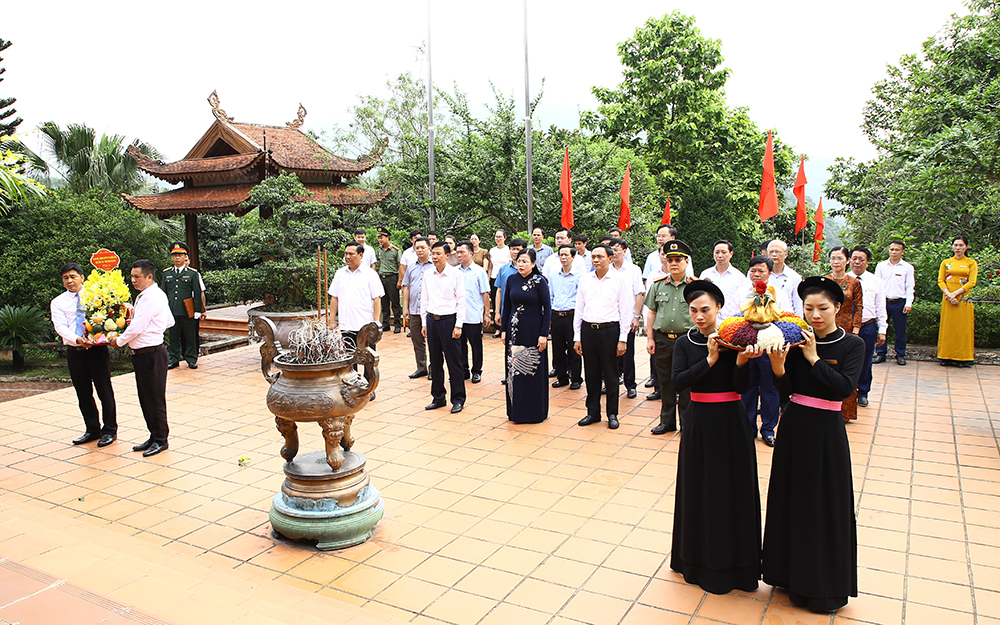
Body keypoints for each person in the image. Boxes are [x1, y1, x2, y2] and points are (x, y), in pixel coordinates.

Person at [761, 276, 865, 614]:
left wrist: (814, 358)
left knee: (823, 503)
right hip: (794, 426)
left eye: (823, 308)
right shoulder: (795, 341)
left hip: (826, 433)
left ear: (837, 307)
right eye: (809, 308)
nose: (816, 315)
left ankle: (821, 582)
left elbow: (842, 389)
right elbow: (786, 391)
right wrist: (778, 368)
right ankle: (787, 573)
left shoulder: (852, 345)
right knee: (792, 498)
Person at [670, 280, 760, 594]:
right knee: (699, 486)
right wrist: (708, 360)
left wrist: (740, 361)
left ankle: (736, 562)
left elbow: (741, 387)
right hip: (698, 420)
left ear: (718, 308)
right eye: (693, 310)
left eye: (705, 310)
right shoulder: (685, 343)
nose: (699, 316)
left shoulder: (735, 339)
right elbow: (678, 380)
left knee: (731, 486)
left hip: (732, 421)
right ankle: (695, 559)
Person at [110, 259, 174, 457]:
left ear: (149, 276)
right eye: (132, 276)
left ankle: (161, 439)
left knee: (154, 398)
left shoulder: (152, 297)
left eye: (137, 277)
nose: (133, 280)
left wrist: (119, 340)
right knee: (145, 398)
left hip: (152, 353)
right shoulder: (145, 296)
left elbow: (137, 327)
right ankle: (154, 435)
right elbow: (169, 320)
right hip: (143, 353)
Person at [51, 262, 117, 447]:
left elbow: (109, 315)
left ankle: (110, 430)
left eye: (73, 276)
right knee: (83, 393)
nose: (69, 281)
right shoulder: (58, 302)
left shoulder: (96, 295)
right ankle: (92, 429)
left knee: (104, 391)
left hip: (97, 351)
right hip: (75, 351)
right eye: (65, 278)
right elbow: (60, 327)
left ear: (82, 277)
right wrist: (77, 339)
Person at [574, 244, 633, 429]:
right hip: (588, 330)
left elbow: (626, 310)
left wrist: (623, 338)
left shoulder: (620, 279)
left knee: (611, 373)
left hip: (610, 331)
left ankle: (612, 413)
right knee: (591, 373)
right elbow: (579, 309)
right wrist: (578, 336)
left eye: (600, 257)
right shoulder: (585, 279)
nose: (596, 260)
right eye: (594, 257)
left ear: (610, 258)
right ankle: (592, 412)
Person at [644, 240, 693, 434]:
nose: (673, 263)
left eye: (678, 260)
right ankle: (667, 421)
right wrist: (650, 338)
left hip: (686, 340)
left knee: (686, 383)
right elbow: (651, 313)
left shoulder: (695, 286)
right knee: (664, 382)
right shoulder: (658, 286)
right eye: (670, 259)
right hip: (663, 339)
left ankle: (687, 422)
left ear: (686, 262)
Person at [742, 255, 791, 447]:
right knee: (748, 388)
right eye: (753, 270)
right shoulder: (742, 292)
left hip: (770, 348)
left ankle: (769, 429)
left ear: (770, 273)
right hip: (747, 348)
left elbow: (786, 317)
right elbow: (733, 317)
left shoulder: (779, 293)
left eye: (761, 270)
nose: (756, 274)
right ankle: (748, 428)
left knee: (770, 389)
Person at [502, 248, 552, 423]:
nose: (521, 264)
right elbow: (507, 306)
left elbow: (547, 309)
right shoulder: (511, 279)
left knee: (532, 370)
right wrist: (503, 330)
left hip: (534, 333)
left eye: (525, 261)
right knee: (514, 371)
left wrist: (544, 334)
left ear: (533, 263)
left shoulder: (540, 281)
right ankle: (516, 412)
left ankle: (535, 412)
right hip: (514, 333)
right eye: (518, 261)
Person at [421, 241, 467, 413]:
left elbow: (461, 301)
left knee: (454, 362)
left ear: (448, 256)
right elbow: (424, 300)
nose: (434, 257)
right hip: (433, 320)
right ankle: (438, 397)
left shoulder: (456, 275)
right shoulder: (427, 274)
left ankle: (458, 399)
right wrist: (425, 322)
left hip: (449, 321)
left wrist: (458, 325)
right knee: (435, 361)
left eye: (438, 254)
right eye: (433, 253)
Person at [827, 246, 863, 423]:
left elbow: (859, 307)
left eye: (840, 258)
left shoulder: (853, 282)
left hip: (847, 328)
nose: (836, 262)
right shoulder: (824, 281)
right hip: (828, 328)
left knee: (846, 370)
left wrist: (856, 328)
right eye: (833, 258)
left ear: (847, 261)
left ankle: (845, 412)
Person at [328, 242, 384, 348]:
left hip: (365, 326)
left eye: (351, 254)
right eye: (346, 254)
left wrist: (375, 322)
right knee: (349, 358)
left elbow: (377, 299)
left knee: (368, 358)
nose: (347, 257)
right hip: (346, 325)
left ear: (360, 255)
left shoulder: (370, 274)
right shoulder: (339, 274)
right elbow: (334, 297)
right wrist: (332, 321)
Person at [850, 247, 887, 407]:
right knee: (846, 361)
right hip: (847, 326)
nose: (857, 262)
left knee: (865, 360)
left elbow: (881, 306)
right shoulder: (843, 279)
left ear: (868, 262)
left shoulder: (875, 281)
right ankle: (847, 392)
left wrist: (882, 330)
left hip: (868, 326)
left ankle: (863, 392)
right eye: (854, 258)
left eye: (861, 259)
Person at [609, 238, 645, 399]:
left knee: (627, 353)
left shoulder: (633, 270)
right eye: (611, 250)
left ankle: (630, 385)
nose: (614, 253)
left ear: (625, 251)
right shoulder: (606, 269)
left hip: (627, 318)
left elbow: (639, 294)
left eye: (617, 249)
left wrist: (636, 316)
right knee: (609, 353)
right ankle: (611, 383)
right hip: (608, 319)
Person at [162, 242, 204, 370]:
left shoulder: (192, 273)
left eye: (180, 255)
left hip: (187, 310)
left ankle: (191, 359)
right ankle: (174, 359)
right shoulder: (167, 273)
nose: (177, 258)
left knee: (189, 335)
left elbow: (197, 293)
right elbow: (163, 292)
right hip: (172, 309)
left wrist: (198, 310)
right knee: (174, 336)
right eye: (175, 255)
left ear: (185, 256)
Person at [937, 235, 978, 367]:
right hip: (948, 298)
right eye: (956, 245)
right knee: (948, 327)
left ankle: (963, 357)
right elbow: (940, 280)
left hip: (964, 299)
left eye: (961, 245)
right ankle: (945, 356)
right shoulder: (946, 262)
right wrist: (949, 295)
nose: (958, 248)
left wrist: (956, 294)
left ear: (966, 247)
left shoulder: (971, 263)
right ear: (952, 246)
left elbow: (972, 282)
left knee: (963, 328)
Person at [455, 241, 491, 384]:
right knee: (459, 345)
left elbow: (485, 293)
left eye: (462, 252)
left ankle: (477, 371)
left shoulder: (479, 271)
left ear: (471, 253)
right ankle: (464, 370)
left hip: (474, 315)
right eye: (457, 252)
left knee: (476, 345)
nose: (459, 255)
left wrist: (486, 313)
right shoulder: (454, 271)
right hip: (458, 316)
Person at [874, 240, 914, 365]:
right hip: (883, 302)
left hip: (899, 303)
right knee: (881, 328)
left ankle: (900, 354)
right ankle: (880, 353)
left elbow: (909, 286)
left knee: (900, 330)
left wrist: (909, 303)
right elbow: (876, 285)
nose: (894, 252)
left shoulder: (908, 268)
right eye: (892, 249)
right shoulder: (881, 266)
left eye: (897, 249)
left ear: (903, 252)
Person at [549, 245, 583, 390]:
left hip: (572, 315)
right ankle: (562, 377)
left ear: (573, 257)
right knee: (558, 348)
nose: (563, 257)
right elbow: (550, 296)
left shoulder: (579, 276)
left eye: (566, 255)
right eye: (561, 255)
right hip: (556, 315)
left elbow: (582, 299)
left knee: (574, 348)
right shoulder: (553, 276)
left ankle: (576, 378)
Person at [401, 237, 433, 378]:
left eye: (423, 247)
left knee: (433, 341)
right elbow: (406, 287)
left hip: (431, 310)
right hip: (414, 309)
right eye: (417, 247)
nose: (420, 250)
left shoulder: (434, 266)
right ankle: (421, 367)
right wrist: (405, 307)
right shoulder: (411, 266)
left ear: (429, 248)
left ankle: (434, 368)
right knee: (417, 340)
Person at [700, 240, 750, 322]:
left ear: (731, 254)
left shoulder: (739, 277)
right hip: (708, 321)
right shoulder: (705, 274)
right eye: (717, 252)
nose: (720, 255)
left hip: (730, 322)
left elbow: (744, 302)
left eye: (724, 252)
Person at [494, 238, 526, 349]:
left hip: (525, 315)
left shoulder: (529, 270)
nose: (515, 252)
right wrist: (497, 312)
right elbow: (499, 291)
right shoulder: (503, 269)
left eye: (518, 249)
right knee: (509, 345)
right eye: (513, 249)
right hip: (508, 313)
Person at [375, 227, 403, 334]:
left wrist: (400, 280)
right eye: (379, 238)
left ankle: (397, 325)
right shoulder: (379, 249)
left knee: (395, 303)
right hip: (382, 278)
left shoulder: (396, 250)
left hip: (392, 278)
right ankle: (385, 324)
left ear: (387, 237)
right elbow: (380, 263)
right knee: (384, 302)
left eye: (382, 237)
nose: (380, 240)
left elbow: (400, 265)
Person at [766, 240, 803, 316]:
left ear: (786, 254)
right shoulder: (760, 274)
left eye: (778, 252)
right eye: (771, 252)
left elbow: (798, 305)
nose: (774, 255)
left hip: (786, 319)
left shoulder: (794, 277)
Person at [488, 230, 511, 335]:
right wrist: (488, 278)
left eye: (500, 237)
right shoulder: (492, 250)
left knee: (506, 301)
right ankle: (497, 328)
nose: (498, 239)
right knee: (495, 301)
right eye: (496, 237)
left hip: (506, 278)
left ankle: (506, 327)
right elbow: (490, 266)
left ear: (505, 238)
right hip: (494, 277)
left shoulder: (508, 250)